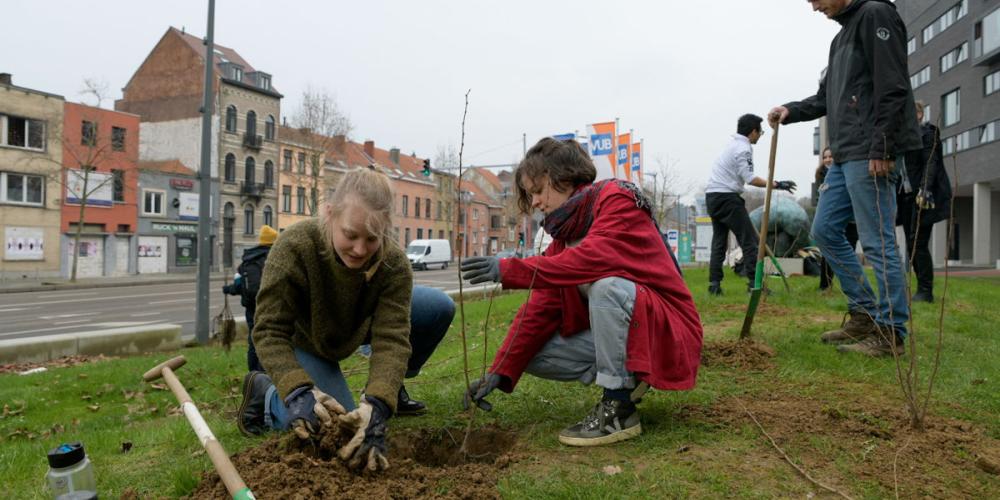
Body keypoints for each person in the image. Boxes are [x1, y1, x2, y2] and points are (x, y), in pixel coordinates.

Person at [460, 138, 703, 447]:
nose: (534, 202)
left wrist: (511, 269)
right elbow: (541, 308)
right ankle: (632, 378)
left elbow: (593, 258)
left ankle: (618, 407)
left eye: (537, 190)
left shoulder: (617, 199)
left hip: (670, 332)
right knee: (531, 354)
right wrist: (500, 370)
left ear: (561, 177)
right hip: (641, 331)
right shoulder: (566, 234)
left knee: (607, 287)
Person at [235, 167, 455, 471]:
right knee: (330, 426)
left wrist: (379, 401)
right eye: (350, 235)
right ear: (329, 214)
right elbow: (269, 330)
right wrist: (296, 389)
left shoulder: (394, 264)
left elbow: (392, 337)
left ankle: (392, 390)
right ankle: (267, 395)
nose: (360, 249)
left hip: (357, 324)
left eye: (372, 238)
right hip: (308, 341)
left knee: (438, 306)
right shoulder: (294, 248)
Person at [769, 0, 922, 357]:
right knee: (823, 230)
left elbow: (893, 85)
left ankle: (891, 333)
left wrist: (882, 146)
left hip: (871, 149)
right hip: (845, 152)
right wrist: (791, 110)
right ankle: (865, 312)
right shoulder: (840, 40)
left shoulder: (876, 15)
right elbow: (827, 99)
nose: (813, 6)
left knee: (877, 241)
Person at [705, 114, 797, 295]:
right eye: (760, 132)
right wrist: (777, 184)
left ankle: (714, 285)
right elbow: (750, 179)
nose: (760, 135)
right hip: (727, 198)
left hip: (713, 196)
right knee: (750, 241)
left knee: (719, 242)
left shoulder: (732, 144)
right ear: (753, 131)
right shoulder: (743, 148)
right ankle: (755, 286)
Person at [898, 100, 951, 303]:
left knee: (918, 242)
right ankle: (920, 287)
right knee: (911, 244)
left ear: (919, 114)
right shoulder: (901, 137)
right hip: (905, 196)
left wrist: (925, 189)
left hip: (923, 196)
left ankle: (926, 291)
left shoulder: (928, 133)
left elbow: (931, 162)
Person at [222, 225, 276, 372]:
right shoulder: (278, 257)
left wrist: (227, 289)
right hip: (273, 307)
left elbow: (239, 287)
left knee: (254, 341)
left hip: (252, 308)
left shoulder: (247, 261)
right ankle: (270, 371)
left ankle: (254, 374)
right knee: (274, 339)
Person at [815, 148, 860, 292]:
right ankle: (825, 285)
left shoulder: (848, 172)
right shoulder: (821, 175)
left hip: (851, 220)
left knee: (848, 253)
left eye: (831, 156)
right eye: (825, 157)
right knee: (827, 254)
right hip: (832, 221)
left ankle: (850, 286)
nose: (828, 159)